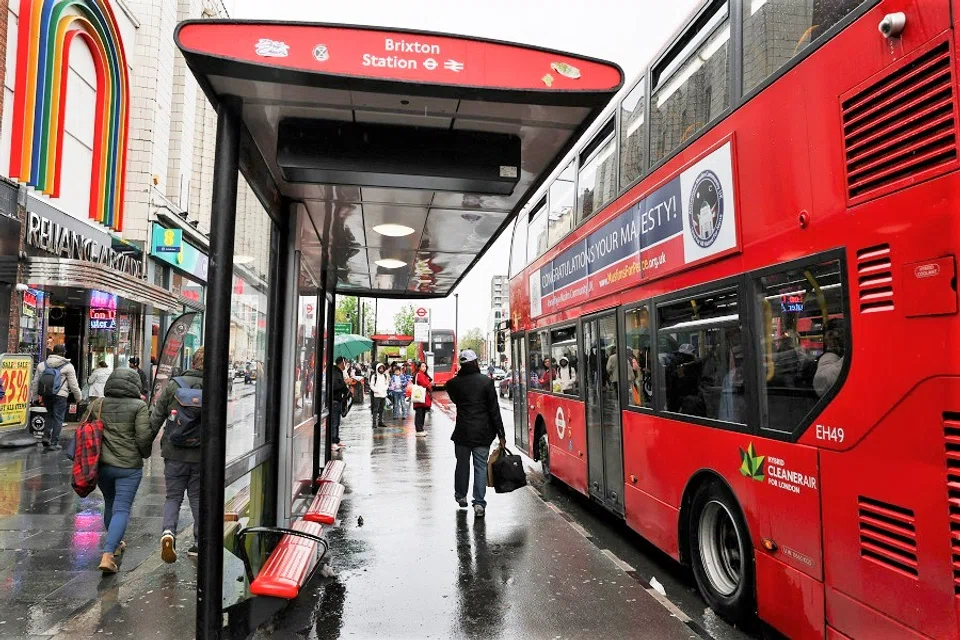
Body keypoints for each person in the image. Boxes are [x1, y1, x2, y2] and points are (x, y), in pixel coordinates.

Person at [96, 367, 153, 573]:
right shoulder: (139, 406)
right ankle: (108, 554)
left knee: (110, 503)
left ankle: (117, 544)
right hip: (128, 467)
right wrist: (144, 454)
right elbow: (144, 437)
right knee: (122, 508)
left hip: (102, 466)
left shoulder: (98, 404)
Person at [151, 346, 204, 563]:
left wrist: (143, 445)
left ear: (193, 362)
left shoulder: (174, 384)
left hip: (174, 452)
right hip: (201, 454)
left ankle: (168, 533)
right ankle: (199, 545)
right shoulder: (215, 385)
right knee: (197, 498)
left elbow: (156, 417)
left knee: (173, 497)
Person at [446, 349, 506, 518]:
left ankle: (460, 495)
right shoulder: (486, 383)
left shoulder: (452, 384)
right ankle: (479, 503)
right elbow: (494, 410)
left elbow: (456, 400)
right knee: (480, 467)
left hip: (463, 432)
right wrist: (501, 434)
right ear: (475, 362)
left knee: (462, 464)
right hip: (482, 433)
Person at [28, 343, 83, 451]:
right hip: (61, 395)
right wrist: (78, 398)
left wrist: (34, 397)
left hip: (46, 394)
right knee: (59, 418)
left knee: (49, 415)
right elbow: (73, 385)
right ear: (64, 353)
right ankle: (54, 442)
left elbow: (35, 382)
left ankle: (46, 437)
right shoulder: (68, 366)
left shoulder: (42, 365)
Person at [331, 357, 350, 451]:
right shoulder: (335, 372)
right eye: (345, 363)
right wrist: (344, 382)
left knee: (337, 422)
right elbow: (335, 386)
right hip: (334, 400)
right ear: (341, 363)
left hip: (338, 400)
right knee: (334, 422)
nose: (346, 365)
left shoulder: (339, 372)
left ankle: (336, 440)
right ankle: (333, 441)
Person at [413, 361, 433, 437]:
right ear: (419, 367)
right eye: (422, 366)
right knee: (419, 413)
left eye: (425, 366)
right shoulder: (419, 374)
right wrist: (429, 384)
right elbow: (425, 384)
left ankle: (421, 429)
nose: (424, 368)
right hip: (420, 397)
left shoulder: (423, 374)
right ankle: (419, 429)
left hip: (423, 397)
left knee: (422, 413)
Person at [369, 363, 389, 428]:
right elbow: (371, 385)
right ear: (377, 369)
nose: (381, 369)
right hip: (377, 395)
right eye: (380, 368)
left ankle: (380, 421)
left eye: (382, 368)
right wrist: (376, 390)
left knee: (382, 409)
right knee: (375, 409)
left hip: (383, 395)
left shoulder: (385, 376)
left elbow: (387, 384)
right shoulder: (374, 376)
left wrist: (384, 389)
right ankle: (374, 423)